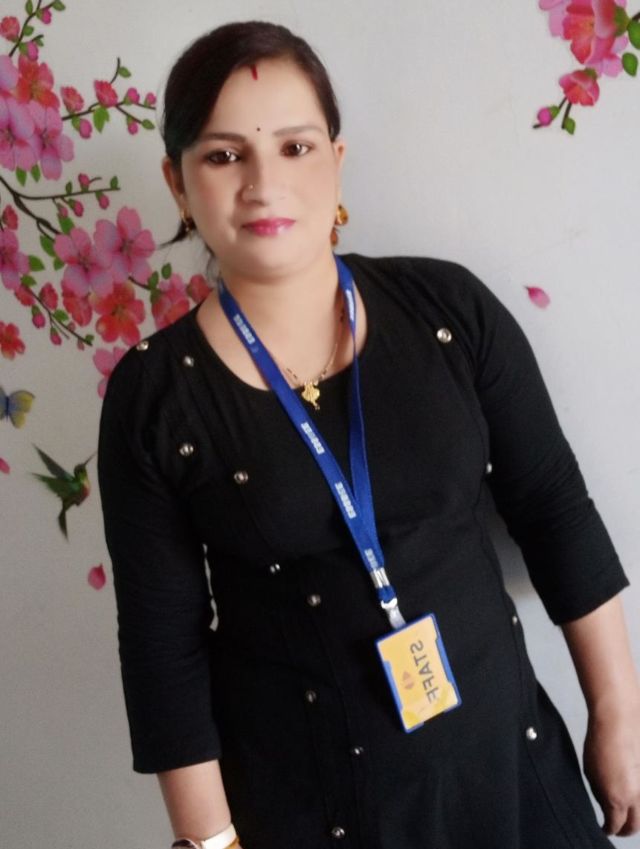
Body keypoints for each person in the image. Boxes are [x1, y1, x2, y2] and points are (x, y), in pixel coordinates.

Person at [96, 19, 640, 849]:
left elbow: (554, 509)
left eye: (295, 147)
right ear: (177, 182)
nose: (263, 184)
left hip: (514, 781)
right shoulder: (154, 397)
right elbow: (163, 649)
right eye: (225, 155)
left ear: (337, 159)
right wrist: (209, 844)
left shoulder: (449, 311)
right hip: (309, 812)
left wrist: (618, 712)